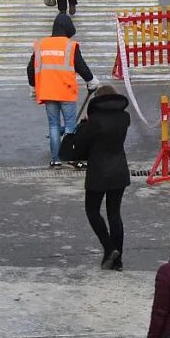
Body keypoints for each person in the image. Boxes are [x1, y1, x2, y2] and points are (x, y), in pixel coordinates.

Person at [65, 86, 131, 270]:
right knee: (115, 214)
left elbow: (78, 149)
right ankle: (118, 261)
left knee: (92, 211)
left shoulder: (93, 122)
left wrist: (82, 128)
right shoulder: (125, 118)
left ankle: (109, 249)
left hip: (98, 173)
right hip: (119, 171)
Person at [27, 12, 99, 168]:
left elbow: (30, 68)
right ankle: (72, 158)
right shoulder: (70, 46)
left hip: (47, 92)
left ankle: (55, 159)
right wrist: (91, 81)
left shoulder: (41, 45)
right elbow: (81, 67)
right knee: (70, 127)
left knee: (53, 125)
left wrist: (33, 87)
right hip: (66, 91)